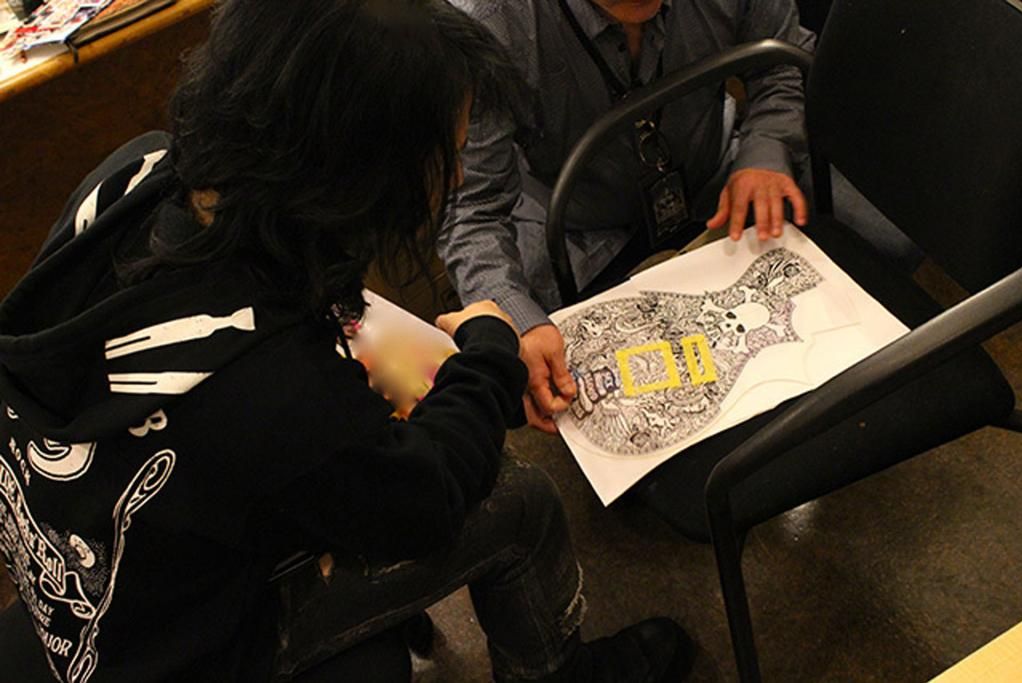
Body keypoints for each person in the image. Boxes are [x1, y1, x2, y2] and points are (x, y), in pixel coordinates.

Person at [0, 1, 694, 682]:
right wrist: (488, 349)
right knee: (519, 502)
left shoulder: (139, 171)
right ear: (354, 169)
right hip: (177, 647)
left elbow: (263, 375)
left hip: (87, 545)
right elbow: (426, 499)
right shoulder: (270, 385)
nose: (456, 177)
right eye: (445, 157)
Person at [437, 0, 920, 433]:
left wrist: (767, 147)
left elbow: (780, 63)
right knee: (541, 378)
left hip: (716, 173)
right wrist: (516, 320)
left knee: (883, 245)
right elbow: (471, 208)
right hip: (574, 223)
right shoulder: (487, 22)